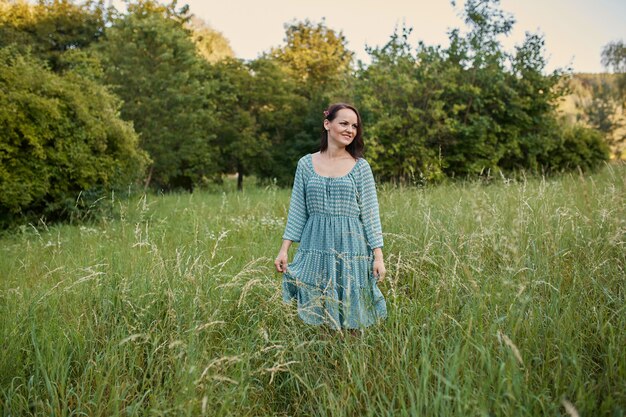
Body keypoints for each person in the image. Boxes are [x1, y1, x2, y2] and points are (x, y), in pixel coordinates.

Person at [274, 103, 387, 330]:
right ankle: (324, 358)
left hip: (351, 246)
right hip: (315, 244)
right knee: (319, 307)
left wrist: (378, 256)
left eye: (354, 126)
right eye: (344, 123)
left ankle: (352, 362)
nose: (350, 130)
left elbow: (370, 213)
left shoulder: (360, 167)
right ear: (327, 124)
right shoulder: (306, 164)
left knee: (353, 312)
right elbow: (298, 209)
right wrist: (284, 249)